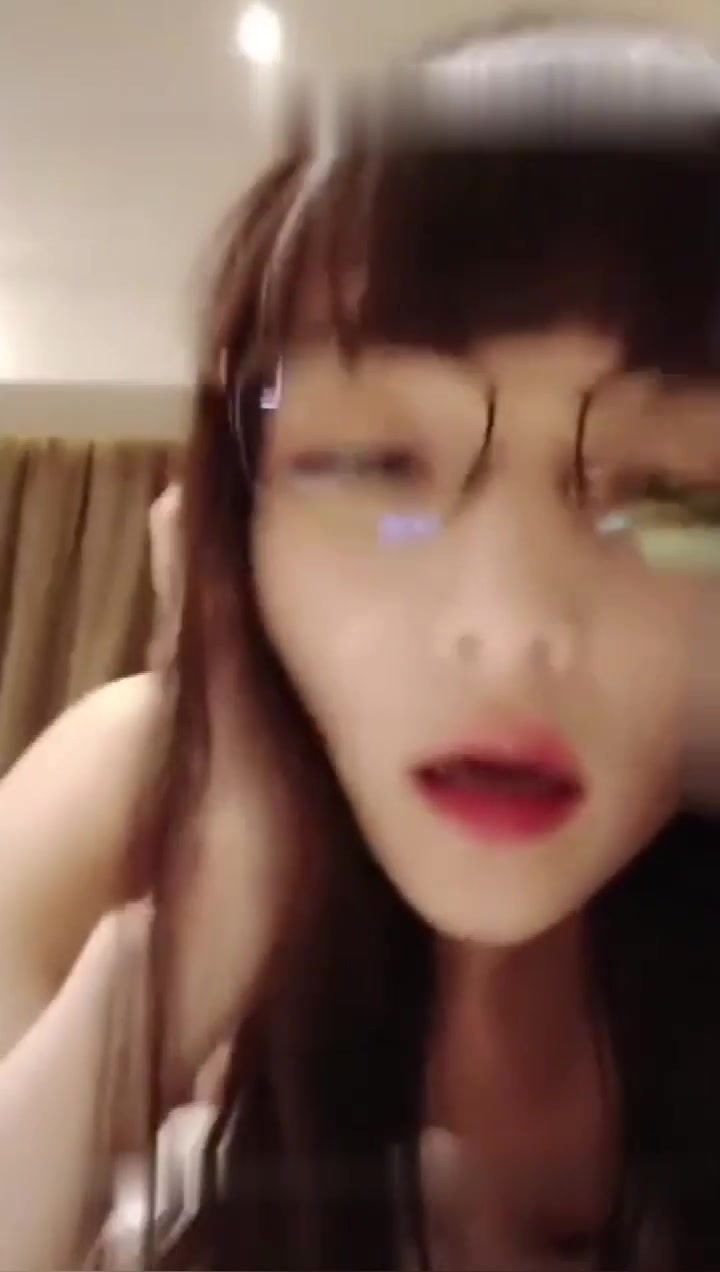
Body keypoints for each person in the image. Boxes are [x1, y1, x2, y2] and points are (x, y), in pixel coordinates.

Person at [4, 15, 720, 1271]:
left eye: (668, 493)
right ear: (237, 525)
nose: (508, 630)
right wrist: (189, 936)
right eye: (379, 463)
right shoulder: (121, 796)